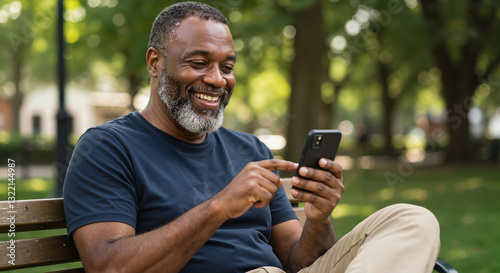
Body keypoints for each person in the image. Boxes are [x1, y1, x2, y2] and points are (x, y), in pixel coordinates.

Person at [63, 2, 440, 273]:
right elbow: (107, 267)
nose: (216, 79)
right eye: (199, 63)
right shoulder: (107, 147)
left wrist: (319, 219)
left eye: (226, 66)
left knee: (411, 219)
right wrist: (218, 207)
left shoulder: (250, 150)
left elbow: (298, 260)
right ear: (154, 62)